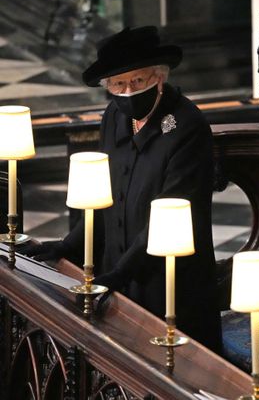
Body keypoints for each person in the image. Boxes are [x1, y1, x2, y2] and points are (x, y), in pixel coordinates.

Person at [21, 26, 222, 353]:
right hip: (115, 271)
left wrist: (118, 275)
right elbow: (104, 196)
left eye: (137, 81)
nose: (127, 91)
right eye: (117, 84)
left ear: (159, 77)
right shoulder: (114, 116)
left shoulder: (187, 126)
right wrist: (68, 245)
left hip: (167, 280)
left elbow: (170, 213)